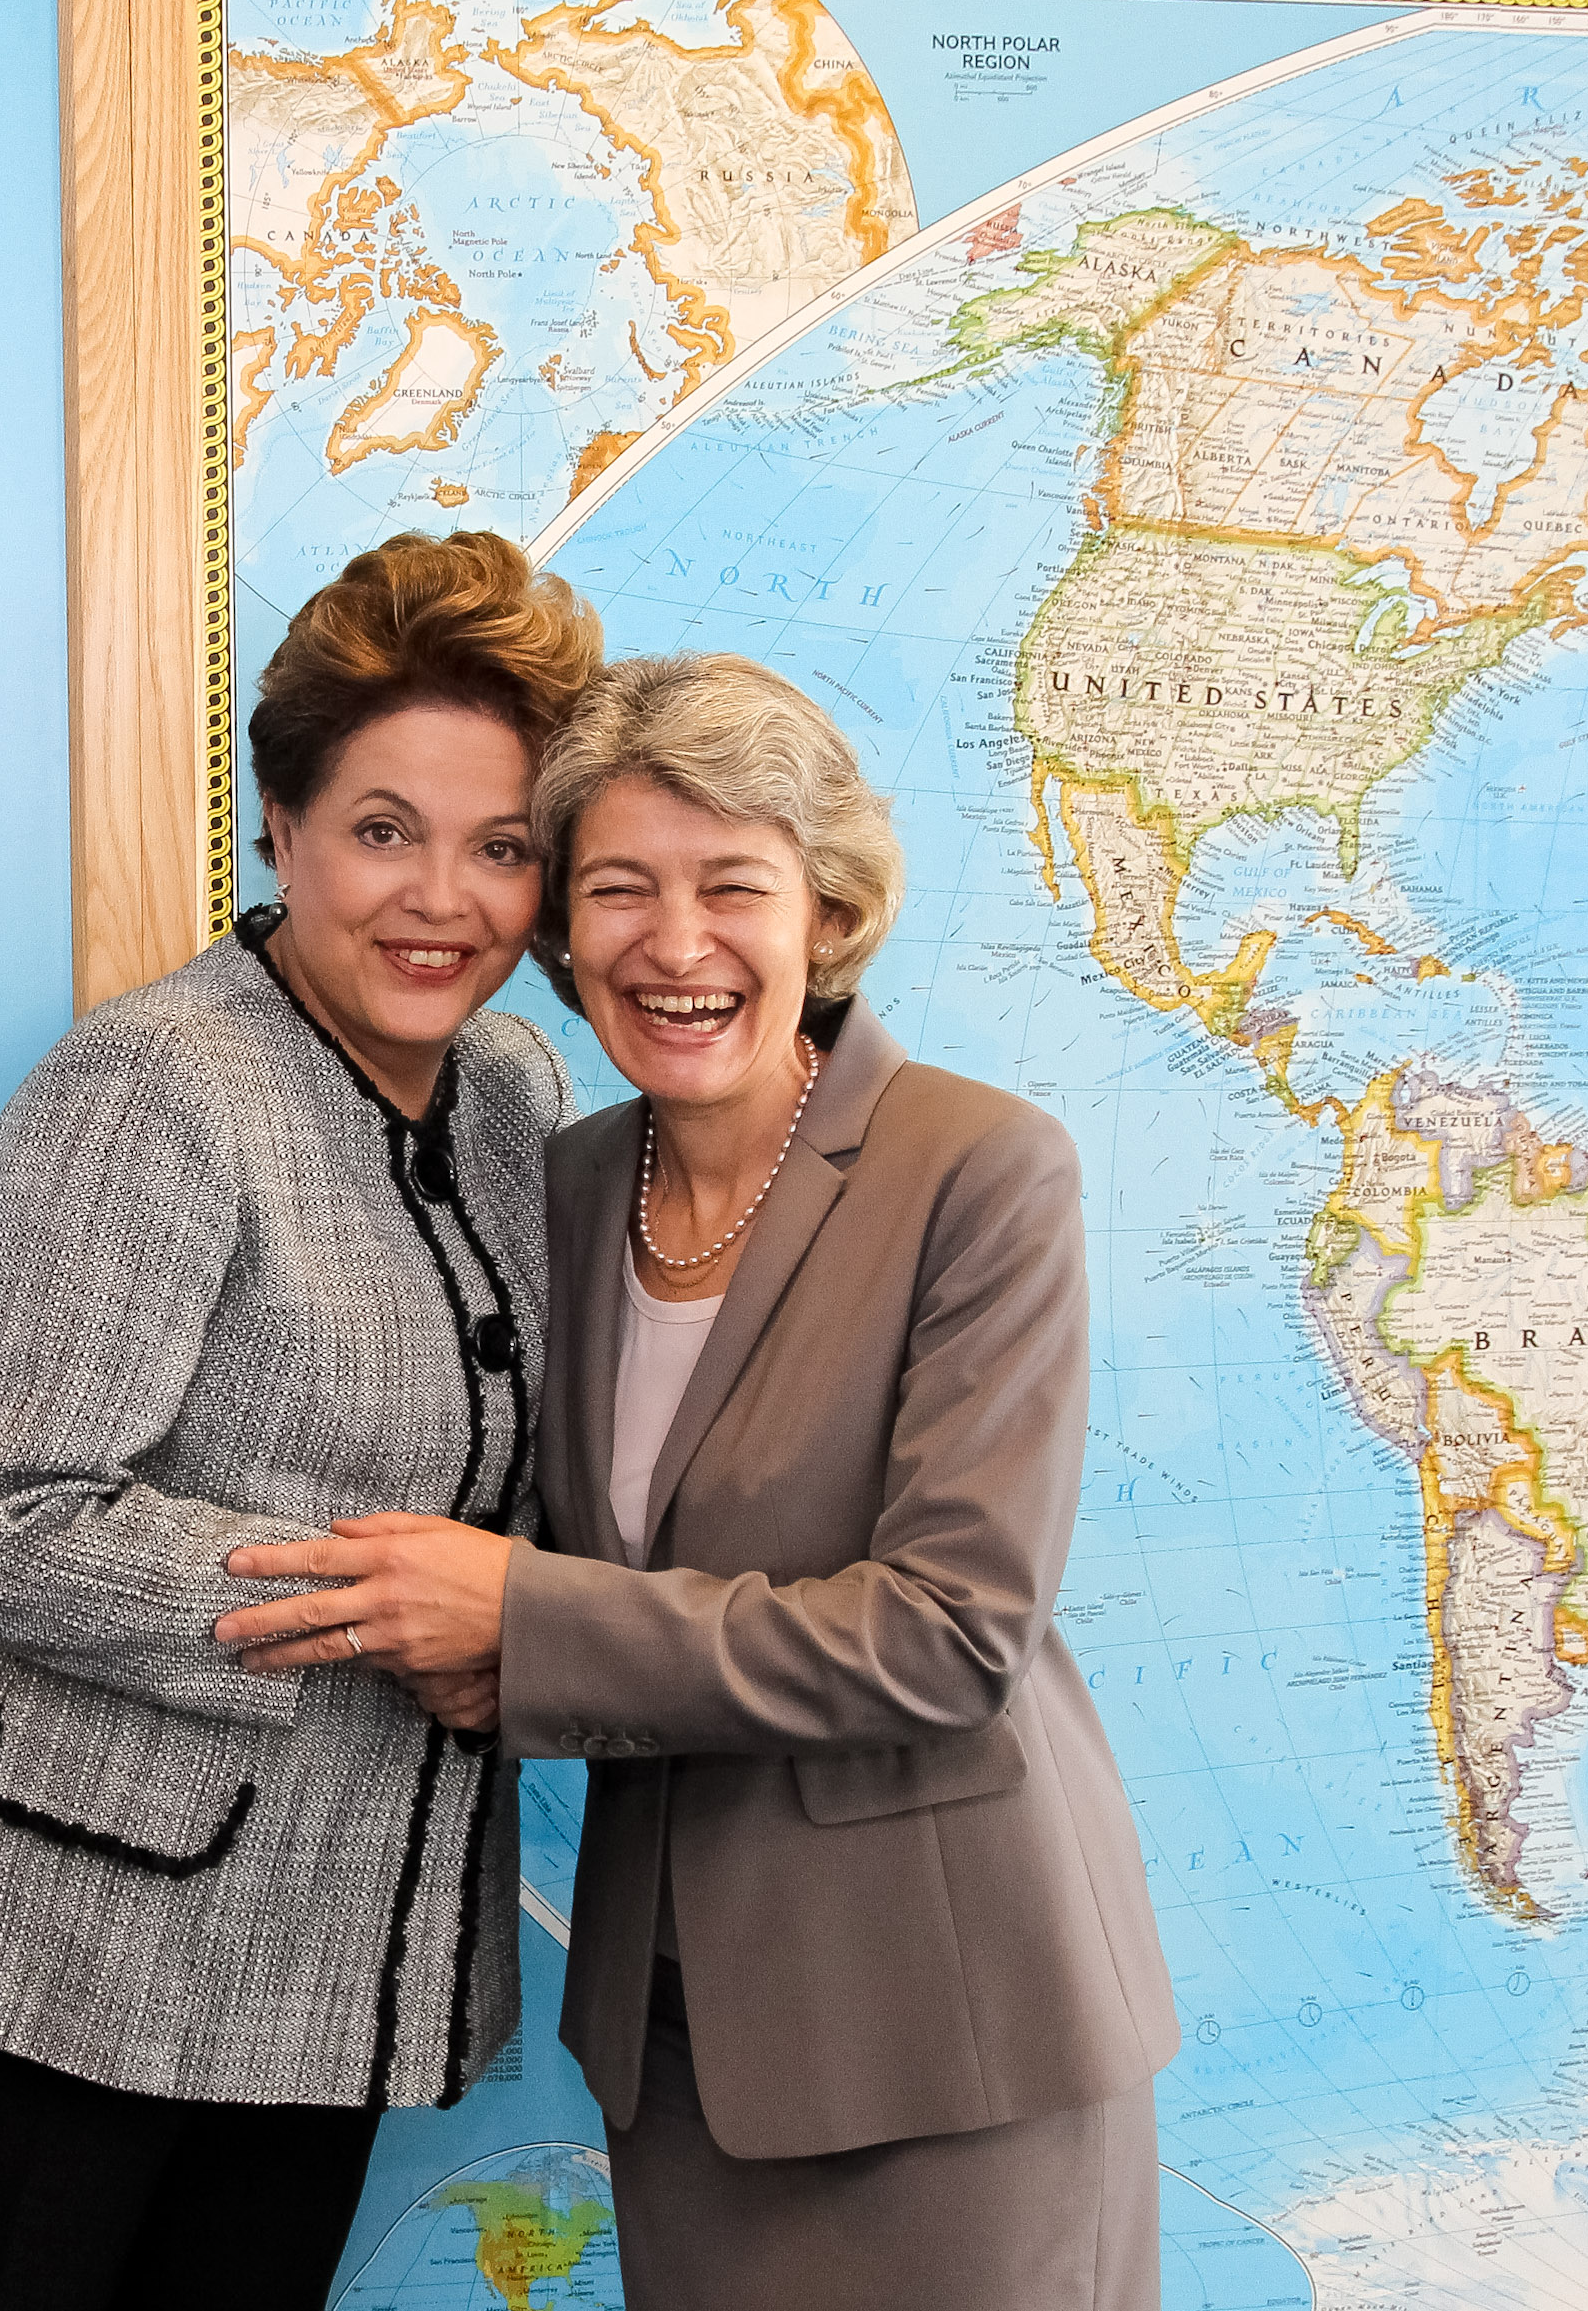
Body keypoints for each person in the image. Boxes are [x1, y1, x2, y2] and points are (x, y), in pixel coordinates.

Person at [218, 651, 1178, 2308]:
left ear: (827, 910)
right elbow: (539, 1542)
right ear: (560, 933)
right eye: (615, 890)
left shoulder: (978, 1169)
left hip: (947, 2018)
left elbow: (948, 1632)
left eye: (731, 886)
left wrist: (519, 1619)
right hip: (674, 2030)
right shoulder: (564, 1182)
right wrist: (456, 1641)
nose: (674, 946)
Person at [0, 531, 601, 2307]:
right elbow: (10, 1515)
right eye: (382, 829)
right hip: (8, 1949)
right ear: (280, 826)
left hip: (305, 1968)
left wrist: (530, 1615)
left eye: (500, 846)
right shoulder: (152, 1084)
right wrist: (404, 1606)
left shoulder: (520, 1094)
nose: (439, 897)